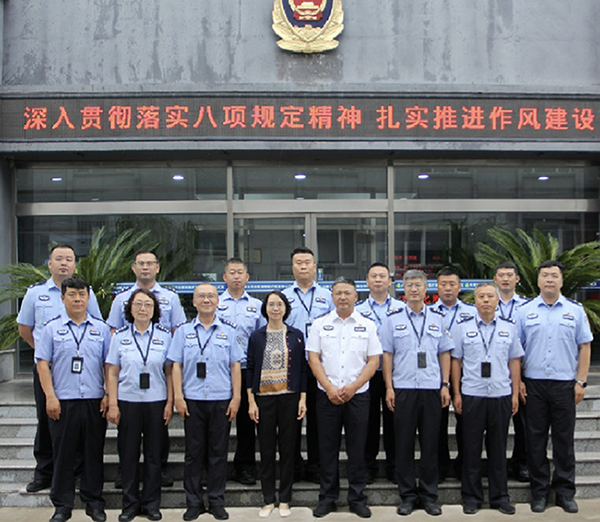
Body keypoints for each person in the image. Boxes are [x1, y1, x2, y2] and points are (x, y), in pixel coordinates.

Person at [17, 244, 102, 494]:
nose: (64, 263)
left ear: (75, 264)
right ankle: (45, 472)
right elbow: (25, 329)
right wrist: (45, 352)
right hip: (47, 369)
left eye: (69, 259)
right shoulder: (36, 293)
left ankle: (77, 473)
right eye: (59, 259)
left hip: (79, 373)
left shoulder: (86, 293)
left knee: (78, 424)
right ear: (49, 264)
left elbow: (96, 323)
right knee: (46, 419)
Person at [516, 260, 593, 514]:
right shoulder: (524, 311)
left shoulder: (575, 310)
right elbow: (515, 350)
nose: (549, 279)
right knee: (535, 441)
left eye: (554, 276)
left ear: (561, 281)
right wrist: (519, 382)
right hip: (533, 384)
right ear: (538, 281)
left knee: (564, 441)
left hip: (564, 385)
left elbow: (585, 346)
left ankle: (565, 492)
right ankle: (539, 492)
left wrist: (581, 381)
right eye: (545, 275)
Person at [108, 250, 186, 488]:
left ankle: (159, 472)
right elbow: (113, 332)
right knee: (127, 439)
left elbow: (178, 332)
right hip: (129, 381)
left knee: (158, 437)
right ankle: (125, 474)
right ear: (133, 267)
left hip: (157, 377)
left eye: (150, 263)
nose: (145, 267)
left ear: (157, 267)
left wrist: (173, 394)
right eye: (140, 263)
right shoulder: (121, 298)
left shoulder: (170, 298)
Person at [36, 277, 110, 522]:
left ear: (88, 298)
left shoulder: (101, 329)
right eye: (72, 294)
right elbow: (42, 364)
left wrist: (108, 394)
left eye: (82, 294)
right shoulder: (51, 328)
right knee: (63, 454)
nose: (77, 299)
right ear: (63, 298)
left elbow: (109, 366)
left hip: (94, 400)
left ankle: (94, 502)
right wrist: (50, 397)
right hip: (63, 401)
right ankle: (62, 505)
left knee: (93, 454)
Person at [307, 277, 381, 519]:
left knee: (357, 449)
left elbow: (373, 361)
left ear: (356, 297)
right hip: (326, 395)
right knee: (327, 449)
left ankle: (357, 498)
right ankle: (327, 498)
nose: (342, 297)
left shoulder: (367, 325)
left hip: (357, 396)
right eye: (338, 293)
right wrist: (329, 387)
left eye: (347, 293)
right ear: (332, 296)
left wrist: (354, 386)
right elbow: (313, 359)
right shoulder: (320, 324)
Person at [168, 283, 242, 522]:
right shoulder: (183, 332)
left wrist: (237, 397)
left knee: (218, 453)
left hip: (221, 399)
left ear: (218, 301)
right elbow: (176, 365)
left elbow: (235, 366)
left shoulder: (229, 331)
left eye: (211, 296)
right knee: (194, 453)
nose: (206, 300)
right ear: (194, 302)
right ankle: (194, 502)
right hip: (193, 400)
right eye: (201, 296)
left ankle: (217, 501)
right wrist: (178, 397)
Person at [381, 269, 452, 517]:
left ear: (425, 288)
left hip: (431, 388)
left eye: (418, 285)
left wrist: (445, 384)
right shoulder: (392, 319)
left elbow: (445, 353)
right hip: (403, 388)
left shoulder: (438, 318)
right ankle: (408, 496)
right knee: (404, 445)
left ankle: (429, 496)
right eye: (409, 285)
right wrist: (389, 387)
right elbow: (387, 355)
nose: (413, 289)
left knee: (430, 444)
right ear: (403, 289)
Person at [451, 282, 523, 515]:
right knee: (471, 449)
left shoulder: (509, 327)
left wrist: (514, 393)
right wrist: (456, 393)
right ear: (475, 301)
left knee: (498, 449)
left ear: (497, 300)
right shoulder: (462, 327)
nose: (485, 300)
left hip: (500, 394)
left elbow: (514, 361)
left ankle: (500, 497)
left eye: (490, 296)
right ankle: (471, 497)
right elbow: (456, 362)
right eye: (481, 296)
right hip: (472, 394)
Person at [105, 289, 174, 522]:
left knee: (154, 456)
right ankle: (130, 504)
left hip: (156, 401)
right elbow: (112, 372)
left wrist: (170, 402)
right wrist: (112, 403)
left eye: (148, 305)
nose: (143, 309)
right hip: (128, 401)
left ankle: (152, 504)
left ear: (155, 310)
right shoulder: (119, 336)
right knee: (128, 455)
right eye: (138, 304)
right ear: (130, 308)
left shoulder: (165, 336)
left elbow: (169, 371)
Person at [246, 291, 307, 518]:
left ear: (285, 308)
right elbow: (250, 368)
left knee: (289, 449)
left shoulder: (296, 335)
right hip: (264, 399)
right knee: (267, 449)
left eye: (279, 304)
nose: (275, 308)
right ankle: (268, 499)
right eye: (271, 304)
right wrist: (251, 401)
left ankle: (285, 499)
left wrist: (303, 399)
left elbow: (302, 369)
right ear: (265, 308)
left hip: (289, 397)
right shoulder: (257, 336)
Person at [282, 247, 334, 483]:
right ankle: (293, 467)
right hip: (290, 366)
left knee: (318, 420)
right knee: (290, 419)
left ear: (315, 266)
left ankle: (315, 466)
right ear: (292, 267)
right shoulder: (283, 297)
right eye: (298, 262)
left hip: (320, 366)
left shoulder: (327, 296)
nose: (303, 266)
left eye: (307, 262)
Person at [217, 258, 265, 486]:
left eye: (240, 273)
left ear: (247, 277)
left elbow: (262, 338)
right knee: (218, 422)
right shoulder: (215, 303)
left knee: (247, 422)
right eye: (232, 272)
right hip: (220, 370)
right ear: (224, 277)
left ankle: (244, 467)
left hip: (247, 369)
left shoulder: (256, 306)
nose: (236, 276)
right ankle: (213, 468)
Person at [355, 262, 404, 484]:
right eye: (373, 276)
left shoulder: (402, 308)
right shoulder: (358, 311)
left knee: (395, 422)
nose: (378, 280)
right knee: (369, 421)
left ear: (390, 281)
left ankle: (395, 466)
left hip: (396, 372)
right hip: (368, 373)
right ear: (367, 281)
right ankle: (368, 466)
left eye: (382, 276)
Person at [429, 266, 475, 481]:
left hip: (467, 373)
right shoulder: (428, 312)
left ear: (460, 286)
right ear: (436, 287)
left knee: (466, 422)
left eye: (452, 284)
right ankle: (440, 467)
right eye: (443, 284)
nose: (447, 288)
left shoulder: (472, 312)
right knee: (436, 424)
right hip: (434, 373)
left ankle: (464, 465)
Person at [493, 260, 530, 482]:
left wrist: (520, 379)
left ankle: (521, 463)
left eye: (509, 275)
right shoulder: (485, 302)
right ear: (495, 279)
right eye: (501, 275)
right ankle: (495, 464)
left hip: (521, 370)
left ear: (517, 279)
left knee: (522, 423)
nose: (505, 279)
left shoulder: (527, 307)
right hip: (493, 370)